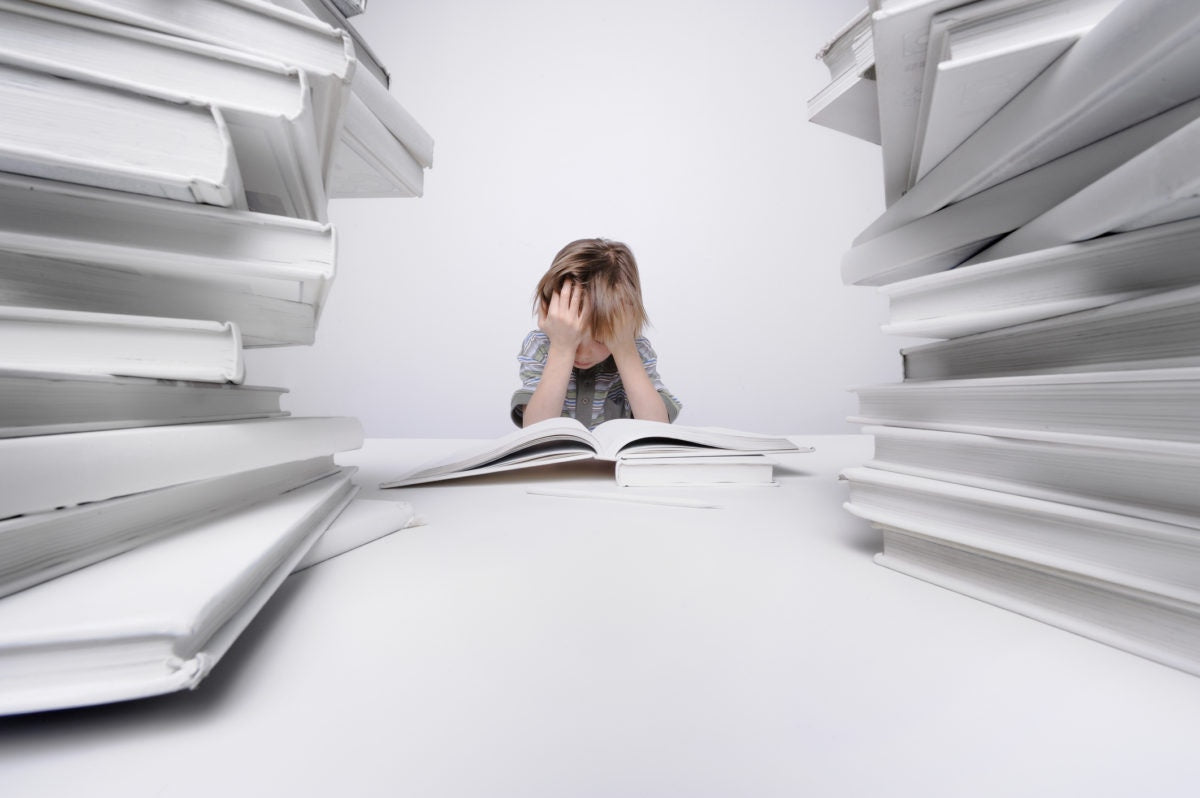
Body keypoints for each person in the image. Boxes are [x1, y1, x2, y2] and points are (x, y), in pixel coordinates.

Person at [510, 238, 681, 430]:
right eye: (574, 339)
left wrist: (624, 349)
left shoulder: (637, 350)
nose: (583, 354)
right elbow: (535, 433)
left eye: (601, 340)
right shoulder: (540, 346)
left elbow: (658, 429)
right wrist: (562, 348)